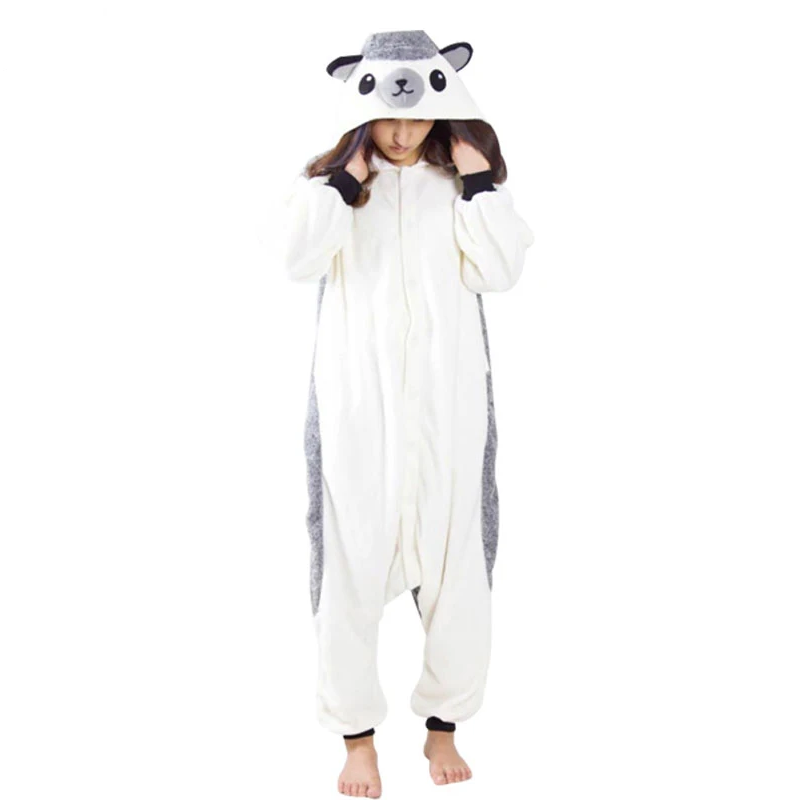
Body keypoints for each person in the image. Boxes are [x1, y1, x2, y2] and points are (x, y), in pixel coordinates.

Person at [282, 30, 534, 797]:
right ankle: (356, 738)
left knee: (459, 560)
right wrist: (342, 182)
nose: (401, 131)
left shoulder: (456, 188)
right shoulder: (331, 190)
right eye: (389, 117)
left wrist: (479, 181)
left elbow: (500, 270)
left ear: (442, 109)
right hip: (356, 408)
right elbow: (299, 258)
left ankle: (443, 727)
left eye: (418, 115)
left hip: (448, 404)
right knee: (346, 566)